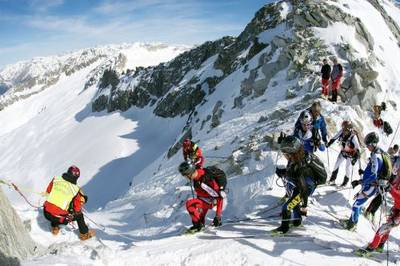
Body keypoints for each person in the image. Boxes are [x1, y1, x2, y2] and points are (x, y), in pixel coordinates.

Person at [272, 136, 327, 235]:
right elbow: (292, 172)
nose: (284, 155)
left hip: (304, 190)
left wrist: (304, 204)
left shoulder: (301, 166)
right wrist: (283, 172)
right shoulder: (298, 158)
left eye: (285, 153)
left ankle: (284, 229)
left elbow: (303, 187)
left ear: (290, 153)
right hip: (301, 187)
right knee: (294, 203)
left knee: (287, 207)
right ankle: (297, 222)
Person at [43, 165, 95, 240]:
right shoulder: (75, 189)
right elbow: (77, 209)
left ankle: (55, 227)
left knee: (55, 209)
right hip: (60, 218)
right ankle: (84, 234)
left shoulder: (56, 179)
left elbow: (48, 192)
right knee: (79, 216)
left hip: (46, 213)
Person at [344, 132, 383, 231]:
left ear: (373, 144)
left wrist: (359, 182)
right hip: (371, 185)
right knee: (359, 204)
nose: (367, 147)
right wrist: (364, 172)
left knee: (356, 204)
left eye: (368, 145)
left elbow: (374, 175)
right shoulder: (378, 153)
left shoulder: (375, 156)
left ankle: (352, 225)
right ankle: (352, 221)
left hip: (371, 186)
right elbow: (373, 170)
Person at [356, 174, 400, 256]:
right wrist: (384, 183)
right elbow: (392, 185)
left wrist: (390, 189)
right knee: (387, 228)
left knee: (383, 228)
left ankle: (371, 248)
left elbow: (397, 194)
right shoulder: (398, 177)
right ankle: (380, 245)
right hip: (396, 207)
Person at [178, 162, 227, 233]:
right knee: (190, 204)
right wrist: (201, 218)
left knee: (190, 204)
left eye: (185, 175)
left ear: (190, 174)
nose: (185, 177)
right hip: (206, 200)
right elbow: (201, 197)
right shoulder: (196, 178)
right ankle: (198, 224)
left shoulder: (205, 179)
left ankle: (198, 225)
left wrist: (218, 216)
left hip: (214, 201)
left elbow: (219, 197)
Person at [327, 120, 360, 187]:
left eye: (345, 129)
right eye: (343, 128)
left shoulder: (353, 137)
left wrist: (355, 159)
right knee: (336, 164)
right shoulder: (341, 132)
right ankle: (332, 179)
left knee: (347, 168)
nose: (344, 131)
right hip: (343, 152)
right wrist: (329, 143)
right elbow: (334, 138)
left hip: (351, 155)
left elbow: (358, 150)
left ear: (349, 129)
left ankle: (345, 183)